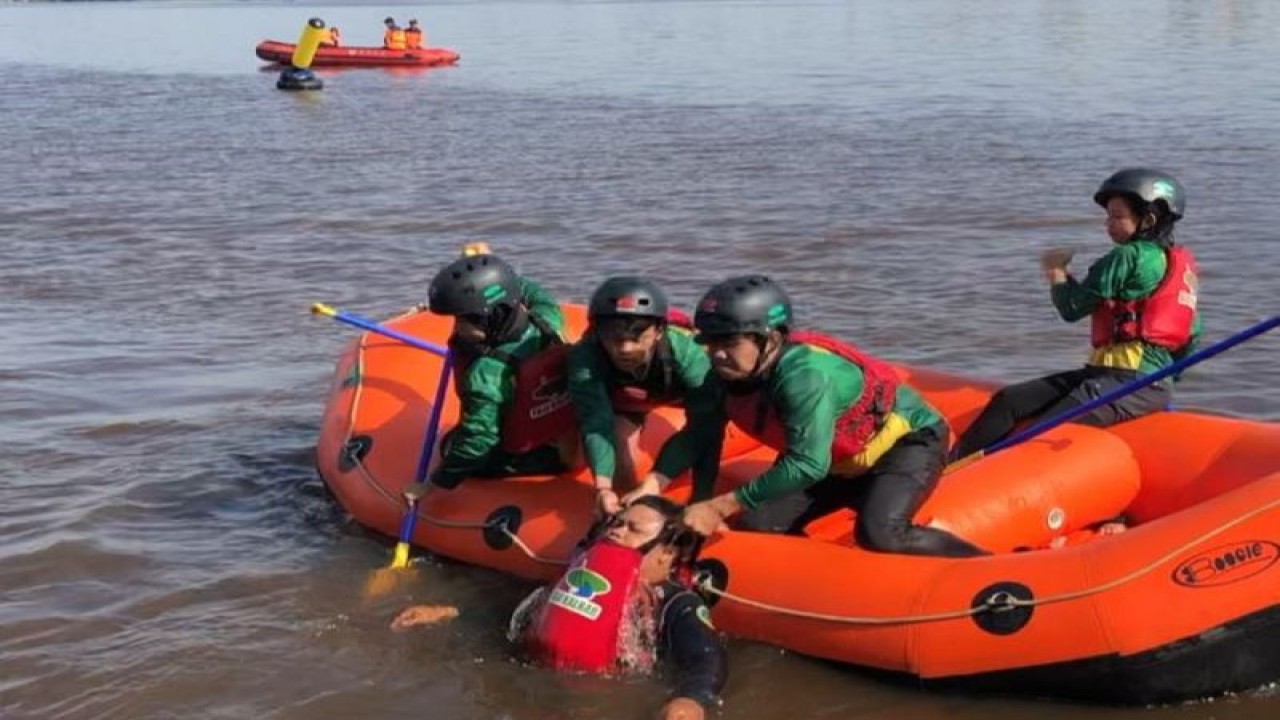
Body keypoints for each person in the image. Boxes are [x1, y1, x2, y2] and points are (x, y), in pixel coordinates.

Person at [626, 275, 987, 558]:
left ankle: (979, 566)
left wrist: (720, 505)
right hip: (837, 461)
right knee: (757, 523)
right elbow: (698, 434)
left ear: (771, 338)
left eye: (730, 344)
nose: (717, 355)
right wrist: (654, 483)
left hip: (906, 443)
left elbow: (808, 465)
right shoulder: (722, 375)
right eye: (711, 344)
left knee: (880, 533)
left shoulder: (806, 375)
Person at [393, 496, 727, 720]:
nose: (615, 531)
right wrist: (451, 612)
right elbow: (527, 613)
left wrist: (692, 699)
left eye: (632, 529)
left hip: (600, 703)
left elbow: (706, 656)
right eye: (618, 523)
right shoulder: (584, 572)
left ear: (667, 554)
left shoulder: (674, 602)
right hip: (532, 684)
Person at [950, 168, 1201, 459]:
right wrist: (1165, 382)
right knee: (1011, 399)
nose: (1108, 224)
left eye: (1117, 217)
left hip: (1128, 381)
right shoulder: (1179, 269)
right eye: (1108, 216)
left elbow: (1071, 307)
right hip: (1130, 380)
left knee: (1039, 433)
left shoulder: (1126, 256)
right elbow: (1191, 334)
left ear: (1149, 219)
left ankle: (955, 467)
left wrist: (1056, 271)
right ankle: (955, 471)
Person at [567, 277, 717, 517]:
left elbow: (706, 425)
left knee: (709, 428)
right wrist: (602, 488)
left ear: (659, 331)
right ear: (597, 332)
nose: (625, 348)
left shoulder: (686, 354)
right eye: (615, 337)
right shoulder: (585, 357)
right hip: (626, 403)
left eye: (637, 336)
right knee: (620, 463)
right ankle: (627, 514)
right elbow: (596, 420)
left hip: (675, 393)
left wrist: (702, 499)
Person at [425, 252, 574, 489]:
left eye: (464, 320)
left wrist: (437, 482)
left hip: (529, 454)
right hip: (562, 437)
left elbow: (478, 441)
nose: (458, 326)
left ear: (492, 318)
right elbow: (532, 291)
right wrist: (495, 279)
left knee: (449, 445)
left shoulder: (485, 375)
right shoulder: (548, 319)